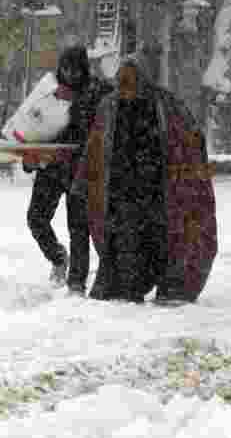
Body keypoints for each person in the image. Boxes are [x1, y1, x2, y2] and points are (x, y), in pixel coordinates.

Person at [71, 50, 218, 305]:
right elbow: (95, 146)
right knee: (123, 249)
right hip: (120, 194)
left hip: (157, 194)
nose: (124, 85)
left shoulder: (166, 106)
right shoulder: (109, 107)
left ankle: (168, 287)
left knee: (164, 244)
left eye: (130, 79)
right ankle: (124, 288)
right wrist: (83, 182)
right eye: (122, 79)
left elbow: (190, 142)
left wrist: (186, 175)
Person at [23, 45, 113, 294]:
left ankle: (76, 282)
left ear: (83, 70)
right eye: (65, 69)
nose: (70, 75)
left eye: (75, 70)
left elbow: (104, 128)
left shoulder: (96, 93)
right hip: (51, 169)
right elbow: (32, 127)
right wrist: (29, 159)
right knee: (36, 219)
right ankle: (58, 258)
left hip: (79, 172)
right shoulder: (48, 93)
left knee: (79, 229)